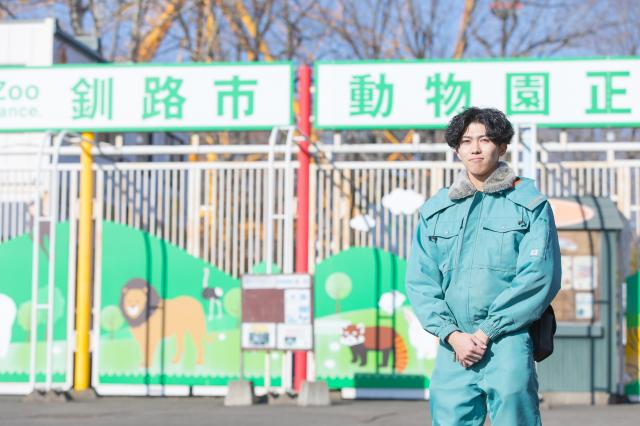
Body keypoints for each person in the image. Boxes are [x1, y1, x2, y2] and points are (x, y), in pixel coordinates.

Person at [405, 107, 561, 425]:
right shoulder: (436, 211)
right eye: (466, 141)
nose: (475, 148)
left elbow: (539, 277)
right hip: (454, 345)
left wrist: (488, 331)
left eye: (485, 140)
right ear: (457, 150)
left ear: (502, 147)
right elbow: (421, 281)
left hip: (508, 338)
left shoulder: (530, 205)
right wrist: (452, 334)